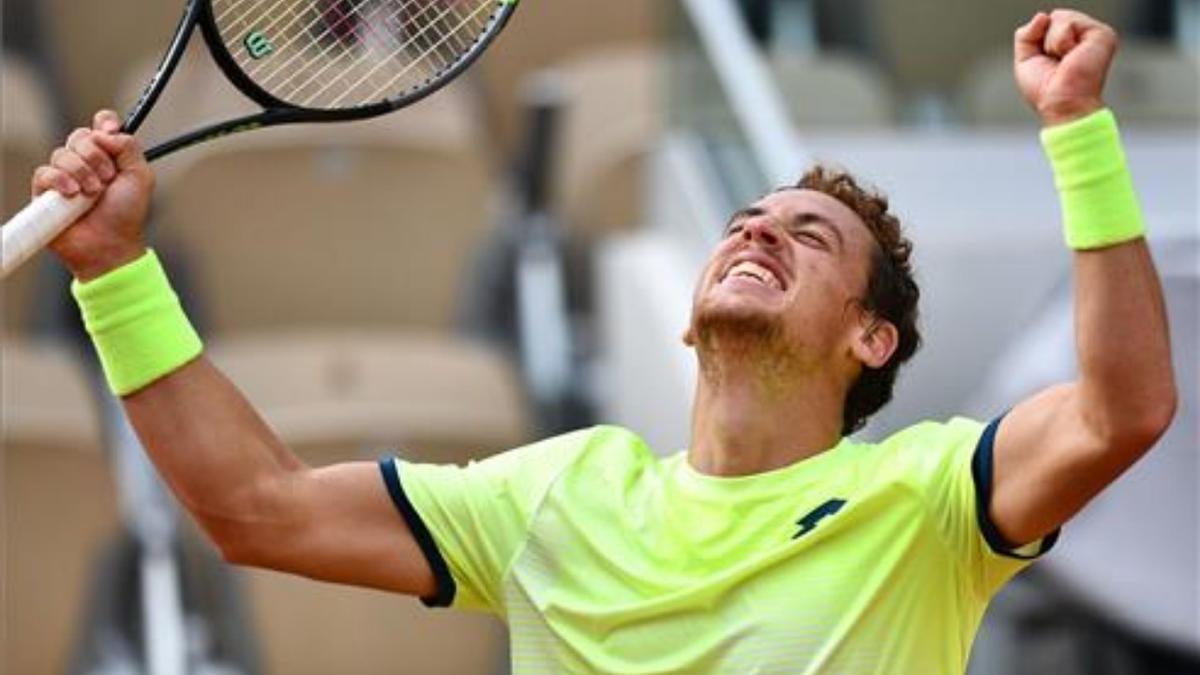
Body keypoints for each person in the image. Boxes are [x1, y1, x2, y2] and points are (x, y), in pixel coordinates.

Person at [32, 9, 1175, 673]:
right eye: (744, 220)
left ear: (870, 341)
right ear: (687, 318)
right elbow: (254, 508)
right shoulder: (557, 493)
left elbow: (1121, 411)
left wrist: (1077, 133)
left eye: (808, 238)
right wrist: (116, 271)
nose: (756, 234)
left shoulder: (928, 501)